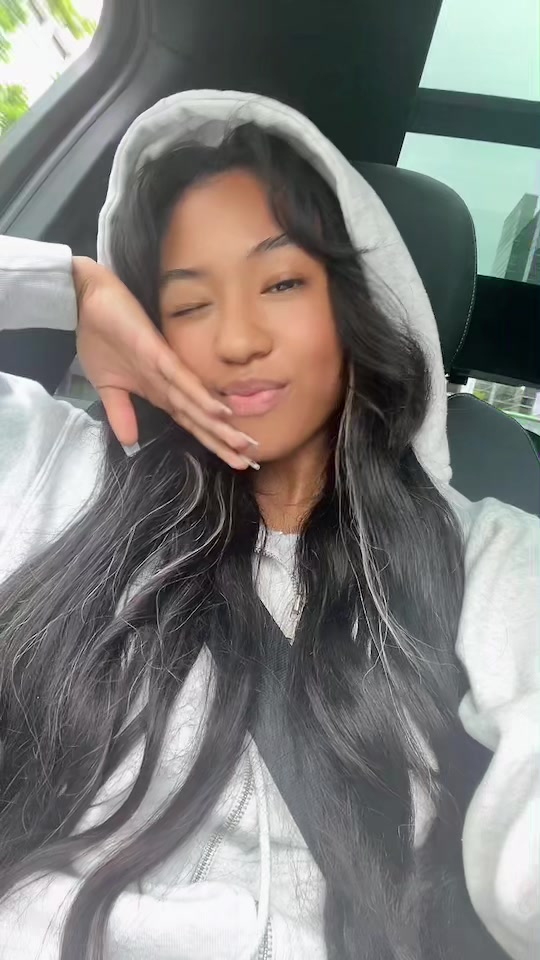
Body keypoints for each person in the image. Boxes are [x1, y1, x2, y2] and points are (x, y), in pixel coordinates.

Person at [0, 90, 537, 960]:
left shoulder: (487, 557)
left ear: (357, 303)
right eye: (188, 303)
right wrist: (68, 288)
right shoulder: (53, 469)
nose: (238, 340)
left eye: (282, 282)